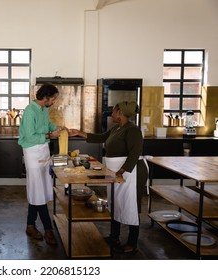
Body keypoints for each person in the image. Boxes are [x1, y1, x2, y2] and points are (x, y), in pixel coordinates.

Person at [69, 101, 148, 254]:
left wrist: (122, 170)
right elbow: (100, 137)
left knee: (131, 205)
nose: (112, 113)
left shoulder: (132, 130)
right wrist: (78, 132)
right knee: (115, 202)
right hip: (116, 172)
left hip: (131, 173)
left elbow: (135, 153)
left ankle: (132, 243)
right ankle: (114, 237)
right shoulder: (117, 128)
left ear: (121, 113)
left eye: (114, 111)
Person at [18, 83, 66, 246]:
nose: (54, 102)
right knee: (38, 191)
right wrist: (50, 134)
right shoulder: (29, 111)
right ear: (45, 98)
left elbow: (48, 125)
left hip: (43, 151)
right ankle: (48, 229)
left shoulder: (44, 110)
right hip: (32, 152)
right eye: (53, 99)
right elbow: (30, 137)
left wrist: (59, 128)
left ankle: (30, 225)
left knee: (40, 190)